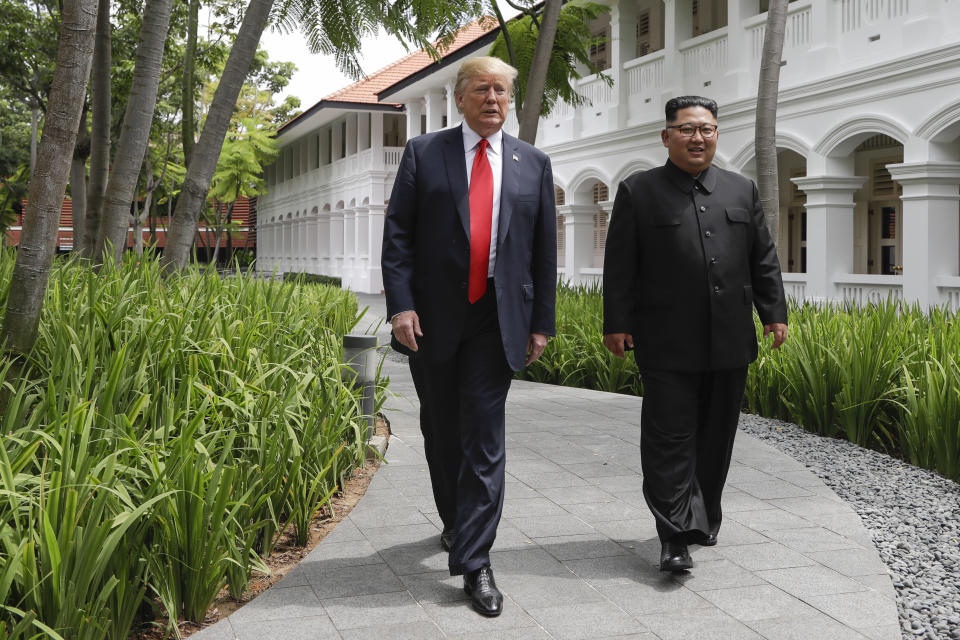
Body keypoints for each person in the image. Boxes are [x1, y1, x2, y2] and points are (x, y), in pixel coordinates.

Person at [381, 56, 557, 616]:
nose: (493, 99)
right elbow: (399, 236)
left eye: (502, 91)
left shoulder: (533, 162)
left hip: (496, 320)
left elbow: (543, 252)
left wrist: (541, 322)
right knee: (440, 430)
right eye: (482, 90)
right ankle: (457, 523)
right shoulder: (424, 153)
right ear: (460, 98)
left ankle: (476, 561)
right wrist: (401, 307)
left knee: (484, 434)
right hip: (432, 321)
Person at [602, 96, 788, 572]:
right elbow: (620, 264)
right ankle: (673, 535)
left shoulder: (741, 190)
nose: (697, 137)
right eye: (686, 129)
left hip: (730, 340)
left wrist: (774, 312)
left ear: (717, 134)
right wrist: (617, 323)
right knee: (669, 438)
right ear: (667, 136)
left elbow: (762, 257)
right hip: (665, 341)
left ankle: (704, 517)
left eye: (706, 129)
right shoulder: (638, 191)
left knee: (716, 436)